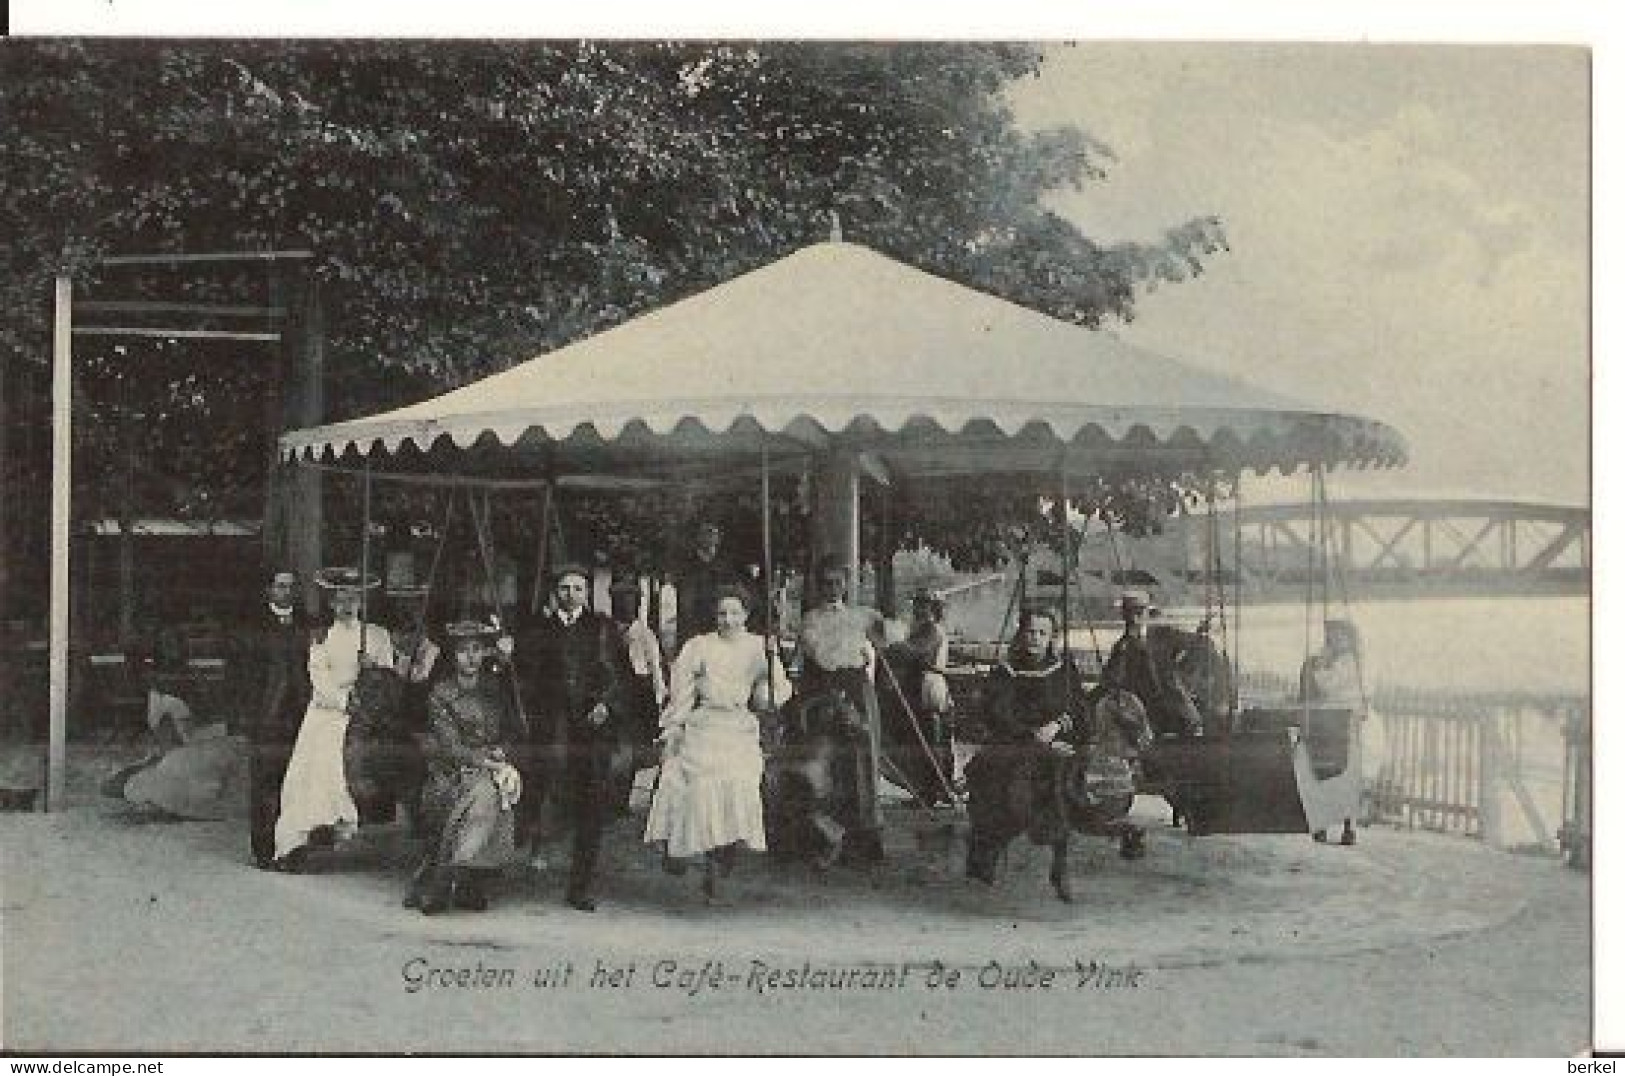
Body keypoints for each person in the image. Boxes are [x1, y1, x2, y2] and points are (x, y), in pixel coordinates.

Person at [645, 586, 792, 903]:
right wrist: (674, 727)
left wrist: (773, 659)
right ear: (714, 616)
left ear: (746, 616)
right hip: (705, 725)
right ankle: (695, 857)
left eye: (735, 613)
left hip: (739, 726)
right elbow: (682, 691)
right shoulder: (699, 646)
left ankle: (724, 857)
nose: (728, 620)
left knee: (739, 783)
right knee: (698, 785)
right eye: (722, 613)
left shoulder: (757, 647)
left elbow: (777, 693)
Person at [511, 564, 626, 912]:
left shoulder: (602, 628)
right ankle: (530, 845)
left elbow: (619, 675)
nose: (571, 595)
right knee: (543, 789)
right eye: (564, 588)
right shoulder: (538, 629)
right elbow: (523, 676)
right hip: (552, 725)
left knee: (592, 805)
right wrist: (507, 654)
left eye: (578, 588)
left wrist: (607, 704)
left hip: (592, 728)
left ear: (587, 593)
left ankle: (581, 886)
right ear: (554, 592)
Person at [272, 567, 396, 872]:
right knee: (309, 774)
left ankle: (341, 822)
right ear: (331, 602)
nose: (346, 604)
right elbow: (320, 678)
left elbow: (389, 678)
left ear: (362, 601)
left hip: (366, 713)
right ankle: (293, 845)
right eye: (340, 597)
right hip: (327, 712)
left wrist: (372, 668)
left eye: (353, 597)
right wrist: (344, 702)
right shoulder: (321, 637)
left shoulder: (377, 636)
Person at [405, 622, 527, 915]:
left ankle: (472, 880)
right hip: (453, 768)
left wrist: (503, 751)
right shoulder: (442, 693)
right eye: (462, 651)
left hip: (492, 764)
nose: (471, 658)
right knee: (483, 793)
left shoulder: (496, 689)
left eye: (476, 650)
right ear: (453, 655)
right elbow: (450, 746)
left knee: (497, 791)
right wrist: (485, 760)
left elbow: (515, 729)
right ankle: (448, 875)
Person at [963, 606, 1087, 884]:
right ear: (1021, 634)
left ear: (1051, 637)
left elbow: (1078, 707)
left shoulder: (1063, 670)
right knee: (995, 783)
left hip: (1057, 740)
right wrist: (1033, 736)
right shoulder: (1006, 671)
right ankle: (986, 854)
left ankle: (1060, 854)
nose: (1035, 638)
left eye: (1042, 633)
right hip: (1014, 740)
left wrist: (1057, 726)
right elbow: (998, 712)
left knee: (1074, 778)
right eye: (1030, 631)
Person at [787, 557, 886, 868]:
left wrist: (876, 631)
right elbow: (823, 656)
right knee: (826, 765)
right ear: (818, 586)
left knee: (863, 763)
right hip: (824, 692)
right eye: (826, 583)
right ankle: (825, 838)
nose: (832, 589)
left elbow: (878, 650)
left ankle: (864, 840)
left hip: (858, 691)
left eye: (838, 582)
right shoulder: (811, 619)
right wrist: (851, 640)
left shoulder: (862, 616)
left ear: (847, 584)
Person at [242, 569, 313, 868]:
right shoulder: (252, 627)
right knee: (265, 784)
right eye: (280, 586)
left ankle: (293, 850)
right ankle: (263, 848)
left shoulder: (309, 624)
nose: (286, 592)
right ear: (269, 590)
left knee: (297, 784)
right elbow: (244, 677)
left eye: (291, 586)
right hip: (266, 717)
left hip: (300, 717)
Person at [876, 589, 957, 806]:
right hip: (920, 685)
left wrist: (885, 647)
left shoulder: (931, 630)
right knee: (925, 738)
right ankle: (930, 789)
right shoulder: (921, 629)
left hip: (930, 686)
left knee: (933, 738)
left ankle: (937, 789)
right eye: (917, 604)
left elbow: (909, 652)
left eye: (923, 605)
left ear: (933, 609)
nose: (918, 609)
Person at [608, 577, 666, 809]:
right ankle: (612, 797)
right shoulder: (606, 631)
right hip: (615, 691)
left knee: (635, 747)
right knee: (616, 746)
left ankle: (624, 798)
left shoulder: (645, 633)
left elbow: (655, 666)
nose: (625, 606)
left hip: (639, 694)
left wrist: (659, 695)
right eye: (620, 601)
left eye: (631, 601)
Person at [673, 522, 739, 649]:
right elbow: (686, 602)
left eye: (714, 534)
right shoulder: (689, 566)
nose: (711, 538)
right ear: (699, 538)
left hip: (718, 621)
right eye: (708, 534)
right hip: (695, 625)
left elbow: (730, 592)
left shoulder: (722, 566)